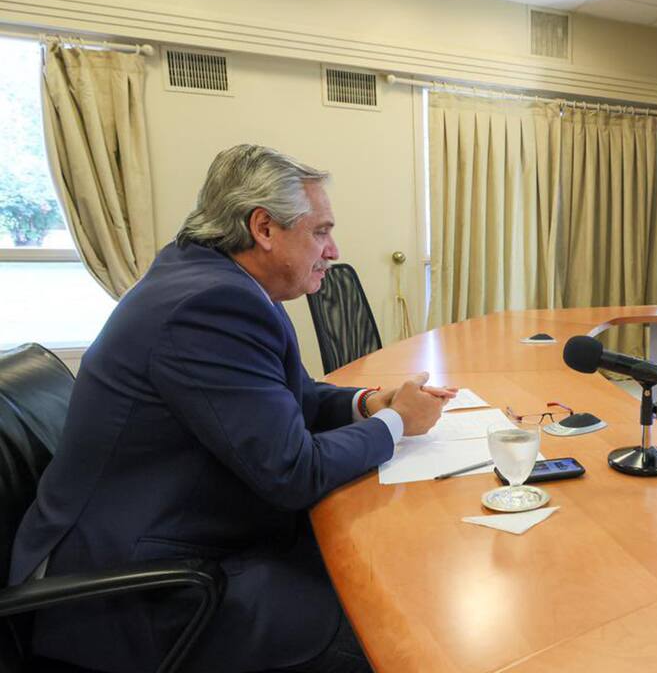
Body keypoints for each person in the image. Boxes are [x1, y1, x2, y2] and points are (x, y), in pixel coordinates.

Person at [8, 145, 455, 673]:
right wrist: (396, 423)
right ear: (263, 228)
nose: (333, 250)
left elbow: (293, 397)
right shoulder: (209, 306)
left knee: (376, 569)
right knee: (389, 632)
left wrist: (367, 403)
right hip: (135, 593)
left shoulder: (214, 280)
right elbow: (294, 470)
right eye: (320, 231)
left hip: (172, 533)